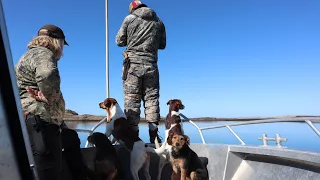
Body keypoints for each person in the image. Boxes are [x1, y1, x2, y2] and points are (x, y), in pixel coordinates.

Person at [14, 24, 68, 180]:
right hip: (41, 123)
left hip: (30, 121)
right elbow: (47, 73)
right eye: (63, 44)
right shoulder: (44, 53)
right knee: (49, 171)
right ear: (58, 41)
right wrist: (51, 97)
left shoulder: (27, 56)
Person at [116, 0, 166, 143]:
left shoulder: (129, 19)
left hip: (132, 67)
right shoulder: (159, 22)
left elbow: (119, 41)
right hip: (151, 66)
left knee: (132, 100)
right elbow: (162, 45)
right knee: (152, 99)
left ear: (132, 9)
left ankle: (133, 138)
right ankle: (154, 136)